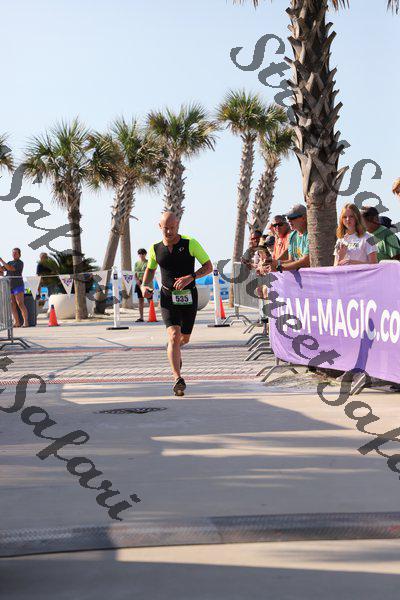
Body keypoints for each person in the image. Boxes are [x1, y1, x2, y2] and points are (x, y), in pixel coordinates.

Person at [141, 211, 212, 396]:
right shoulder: (155, 248)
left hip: (188, 297)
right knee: (173, 335)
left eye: (172, 228)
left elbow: (208, 266)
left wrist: (191, 277)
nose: (169, 232)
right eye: (166, 228)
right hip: (167, 297)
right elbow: (150, 269)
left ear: (178, 225)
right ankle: (177, 378)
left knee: (183, 339)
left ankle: (174, 351)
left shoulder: (190, 243)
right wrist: (144, 285)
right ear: (160, 227)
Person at [262, 204, 310, 272]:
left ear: (303, 218)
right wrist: (274, 263)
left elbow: (306, 262)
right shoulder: (293, 235)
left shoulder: (311, 235)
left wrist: (279, 268)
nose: (289, 220)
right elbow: (291, 260)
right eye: (288, 218)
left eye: (292, 218)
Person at [0, 248, 28, 327]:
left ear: (19, 254)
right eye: (13, 253)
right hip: (10, 286)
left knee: (20, 303)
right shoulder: (10, 262)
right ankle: (17, 322)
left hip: (18, 285)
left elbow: (10, 268)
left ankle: (26, 322)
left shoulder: (20, 263)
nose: (14, 254)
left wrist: (1, 260)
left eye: (16, 253)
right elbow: (2, 269)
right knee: (12, 304)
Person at [134, 248, 153, 322]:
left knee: (149, 300)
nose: (141, 255)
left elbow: (151, 272)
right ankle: (141, 317)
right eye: (140, 254)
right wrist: (137, 281)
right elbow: (135, 274)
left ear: (145, 254)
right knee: (140, 300)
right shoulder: (136, 263)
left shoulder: (149, 262)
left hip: (147, 283)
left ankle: (152, 316)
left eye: (142, 254)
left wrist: (146, 281)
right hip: (139, 283)